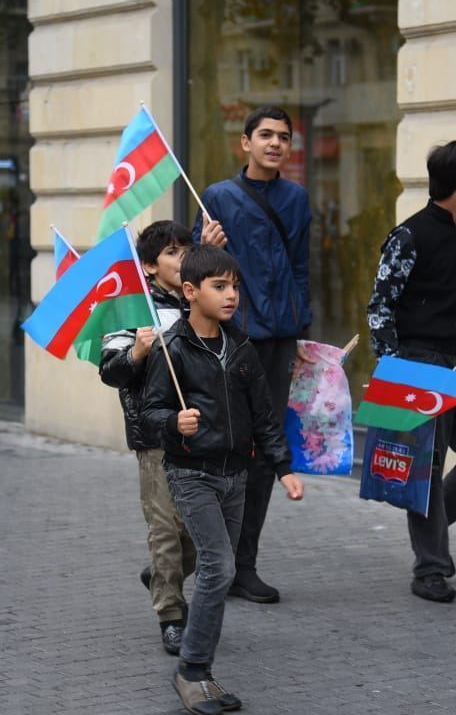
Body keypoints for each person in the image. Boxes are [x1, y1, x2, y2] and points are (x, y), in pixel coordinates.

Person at [141, 245, 305, 715]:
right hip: (192, 473)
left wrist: (284, 467)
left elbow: (264, 417)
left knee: (219, 569)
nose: (231, 294)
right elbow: (150, 412)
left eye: (234, 285)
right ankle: (191, 671)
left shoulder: (242, 348)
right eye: (219, 286)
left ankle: (201, 669)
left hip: (238, 476)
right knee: (219, 568)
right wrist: (175, 424)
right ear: (190, 292)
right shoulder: (172, 350)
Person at [366, 139, 456, 603]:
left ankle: (435, 534)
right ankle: (430, 567)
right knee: (423, 470)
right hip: (418, 365)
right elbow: (380, 306)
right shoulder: (408, 237)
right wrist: (392, 367)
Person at [195, 105, 312, 604]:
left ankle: (244, 567)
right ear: (245, 143)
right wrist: (204, 243)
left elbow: (303, 267)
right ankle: (191, 559)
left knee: (266, 453)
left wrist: (302, 329)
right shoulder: (220, 197)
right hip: (235, 335)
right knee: (223, 450)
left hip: (281, 337)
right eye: (265, 135)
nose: (274, 144)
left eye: (283, 137)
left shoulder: (297, 198)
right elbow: (193, 272)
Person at [99, 220, 196, 654]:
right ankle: (171, 616)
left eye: (186, 250)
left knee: (201, 535)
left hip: (201, 434)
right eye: (173, 253)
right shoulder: (133, 309)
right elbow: (111, 370)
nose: (183, 259)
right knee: (165, 531)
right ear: (150, 266)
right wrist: (136, 351)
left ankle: (161, 574)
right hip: (156, 435)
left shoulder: (203, 301)